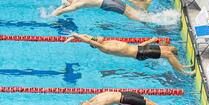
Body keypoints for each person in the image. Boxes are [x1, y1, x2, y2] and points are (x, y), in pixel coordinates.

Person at [66, 33, 195, 75]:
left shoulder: (105, 41)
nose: (96, 36)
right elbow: (88, 40)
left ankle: (182, 66)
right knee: (168, 54)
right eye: (95, 38)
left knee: (171, 49)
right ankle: (184, 72)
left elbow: (88, 37)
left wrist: (149, 41)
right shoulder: (103, 47)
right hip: (140, 53)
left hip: (140, 48)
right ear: (95, 44)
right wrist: (75, 35)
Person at [45, 0, 148, 22]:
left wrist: (49, 16)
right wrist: (57, 11)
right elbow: (61, 11)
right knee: (129, 11)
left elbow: (61, 10)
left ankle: (147, 20)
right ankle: (147, 16)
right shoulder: (77, 1)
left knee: (129, 14)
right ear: (69, 1)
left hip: (107, 3)